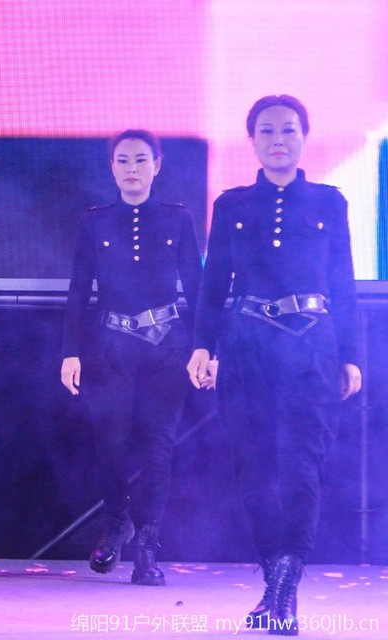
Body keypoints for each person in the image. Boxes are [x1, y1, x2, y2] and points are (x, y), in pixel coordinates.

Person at [187, 95, 361, 635]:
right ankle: (274, 586)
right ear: (252, 140)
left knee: (302, 466)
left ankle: (284, 587)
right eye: (266, 130)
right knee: (255, 467)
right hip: (246, 348)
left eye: (288, 129)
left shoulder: (329, 201)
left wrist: (351, 356)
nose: (278, 139)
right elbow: (214, 282)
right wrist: (202, 346)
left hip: (313, 349)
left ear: (304, 136)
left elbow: (342, 282)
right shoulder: (232, 204)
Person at [61, 130, 203, 586]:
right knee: (111, 441)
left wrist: (207, 348)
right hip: (111, 346)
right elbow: (79, 290)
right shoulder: (95, 222)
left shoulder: (178, 219)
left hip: (167, 346)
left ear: (157, 165)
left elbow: (197, 289)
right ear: (112, 167)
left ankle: (147, 546)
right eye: (123, 160)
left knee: (158, 445)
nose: (132, 168)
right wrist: (70, 351)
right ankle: (116, 521)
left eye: (141, 160)